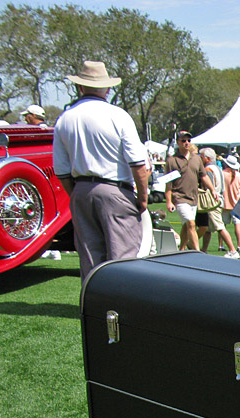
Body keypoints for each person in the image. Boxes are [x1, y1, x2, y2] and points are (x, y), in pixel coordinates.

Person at [51, 60, 149, 280]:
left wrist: (77, 194)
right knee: (122, 257)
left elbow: (62, 170)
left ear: (81, 87)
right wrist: (143, 197)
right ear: (107, 88)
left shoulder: (64, 119)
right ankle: (120, 308)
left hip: (81, 190)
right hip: (115, 190)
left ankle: (93, 309)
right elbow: (138, 163)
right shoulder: (118, 115)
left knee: (89, 258)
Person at [164, 131, 203, 251]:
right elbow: (168, 183)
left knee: (186, 226)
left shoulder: (196, 159)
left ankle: (181, 250)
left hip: (193, 198)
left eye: (188, 140)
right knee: (191, 224)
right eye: (183, 141)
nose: (187, 143)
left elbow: (203, 176)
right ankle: (197, 251)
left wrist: (212, 190)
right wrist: (169, 201)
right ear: (178, 143)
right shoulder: (172, 160)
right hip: (179, 197)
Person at [198, 147, 239, 257]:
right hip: (219, 198)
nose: (200, 159)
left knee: (219, 226)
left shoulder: (208, 170)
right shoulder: (218, 168)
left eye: (201, 157)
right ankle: (204, 249)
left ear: (207, 158)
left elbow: (208, 185)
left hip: (212, 201)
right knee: (208, 227)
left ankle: (232, 250)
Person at [221, 154, 240, 253]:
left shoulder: (222, 174)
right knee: (237, 224)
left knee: (222, 225)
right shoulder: (239, 176)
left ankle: (221, 244)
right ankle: (239, 244)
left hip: (225, 202)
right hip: (236, 203)